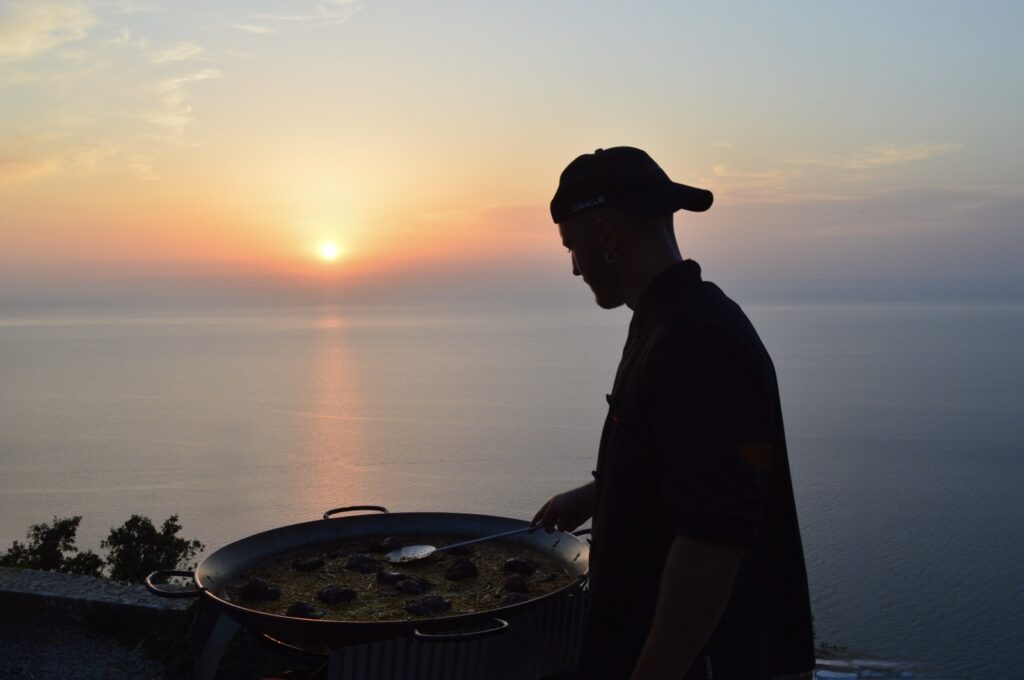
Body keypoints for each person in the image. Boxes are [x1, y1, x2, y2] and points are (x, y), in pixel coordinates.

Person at [532, 147, 815, 680]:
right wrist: (599, 495)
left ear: (607, 237)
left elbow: (711, 543)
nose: (573, 268)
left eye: (572, 247)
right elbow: (688, 465)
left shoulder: (697, 340)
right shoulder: (665, 322)